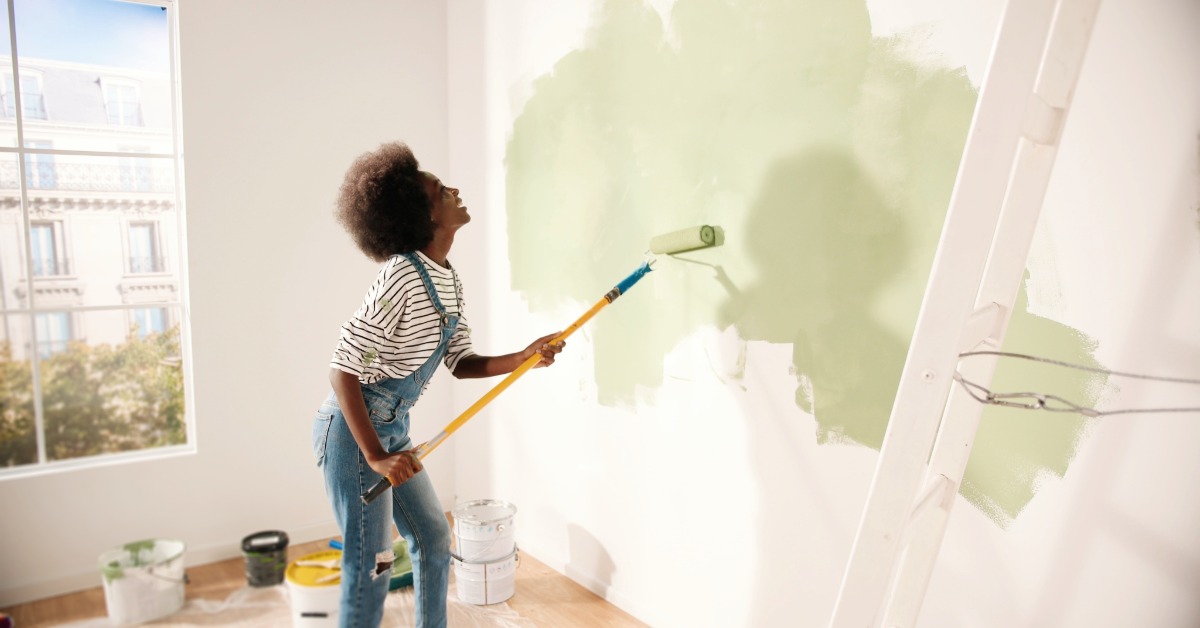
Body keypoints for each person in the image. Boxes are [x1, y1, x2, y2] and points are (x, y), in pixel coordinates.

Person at [311, 141, 563, 627]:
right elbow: (343, 370)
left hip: (391, 428)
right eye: (440, 189)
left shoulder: (448, 279)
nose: (454, 190)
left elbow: (461, 361)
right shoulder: (401, 275)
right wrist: (376, 456)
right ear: (420, 214)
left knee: (432, 538)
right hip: (351, 432)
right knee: (373, 568)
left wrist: (524, 358)